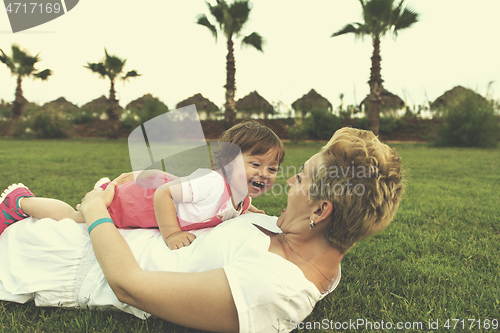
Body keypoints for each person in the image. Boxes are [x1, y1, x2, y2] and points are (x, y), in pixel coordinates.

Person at [0, 127, 404, 333]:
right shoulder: (292, 235)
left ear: (320, 209)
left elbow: (128, 284)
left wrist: (93, 211)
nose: (288, 183)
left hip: (68, 259)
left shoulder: (274, 287)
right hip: (109, 231)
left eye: (298, 178)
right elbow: (211, 199)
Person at [0, 121, 284, 250]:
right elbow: (163, 194)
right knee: (78, 219)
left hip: (146, 201)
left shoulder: (241, 198)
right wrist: (171, 233)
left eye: (272, 168)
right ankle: (19, 202)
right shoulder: (212, 182)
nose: (266, 174)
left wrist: (252, 212)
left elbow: (241, 208)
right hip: (139, 202)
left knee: (81, 218)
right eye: (255, 164)